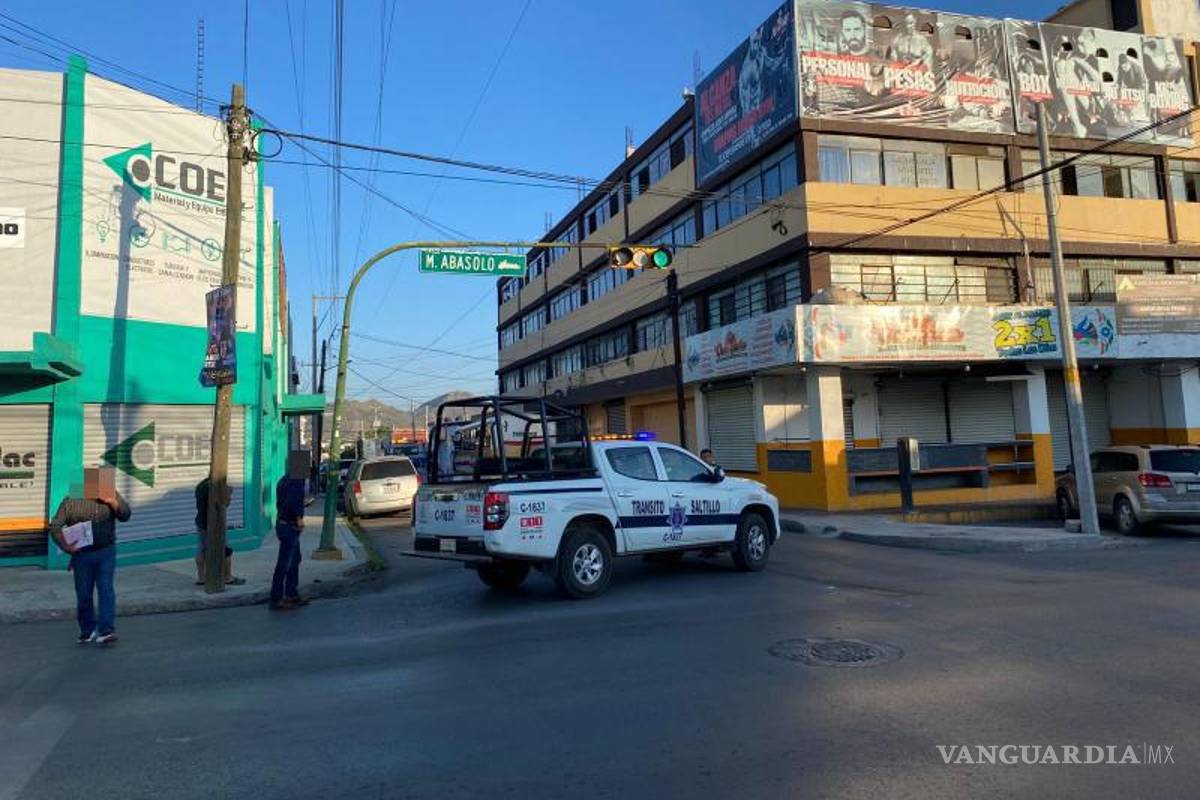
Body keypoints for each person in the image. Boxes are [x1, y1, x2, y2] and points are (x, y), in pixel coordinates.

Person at [48, 467, 131, 645]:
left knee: (106, 590)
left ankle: (106, 631)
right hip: (81, 556)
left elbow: (126, 515)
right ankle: (87, 629)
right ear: (88, 483)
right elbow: (54, 526)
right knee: (84, 594)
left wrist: (113, 502)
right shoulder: (71, 500)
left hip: (106, 552)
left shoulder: (112, 495)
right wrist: (65, 546)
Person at [270, 454, 310, 611]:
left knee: (294, 560)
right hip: (290, 525)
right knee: (285, 563)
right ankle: (277, 598)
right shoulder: (297, 480)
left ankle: (291, 593)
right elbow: (293, 501)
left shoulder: (283, 480)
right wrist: (299, 518)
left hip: (282, 524)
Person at [194, 477, 245, 586]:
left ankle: (201, 577)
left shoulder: (200, 485)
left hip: (201, 523)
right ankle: (227, 577)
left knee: (201, 550)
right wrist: (228, 494)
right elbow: (224, 504)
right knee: (226, 550)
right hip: (215, 524)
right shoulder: (216, 488)